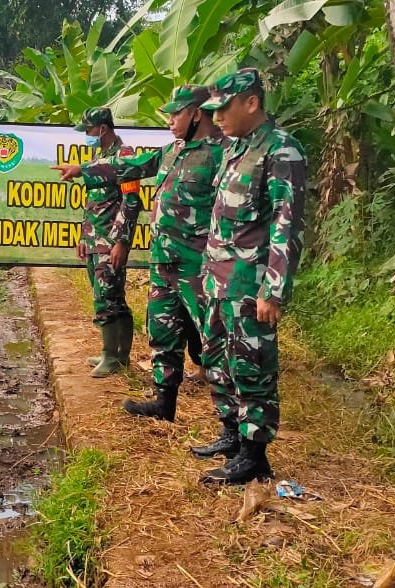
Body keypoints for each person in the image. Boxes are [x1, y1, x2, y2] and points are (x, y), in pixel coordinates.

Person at [56, 86, 223, 421]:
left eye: (177, 114)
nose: (171, 120)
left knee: (212, 335)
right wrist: (83, 171)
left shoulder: (221, 153)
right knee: (162, 331)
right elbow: (130, 166)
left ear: (197, 113)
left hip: (197, 262)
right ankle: (164, 403)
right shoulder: (172, 151)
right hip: (163, 260)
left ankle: (232, 422)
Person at [191, 68, 307, 485]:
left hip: (249, 282)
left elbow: (286, 224)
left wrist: (273, 289)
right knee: (217, 360)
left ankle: (255, 455)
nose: (217, 117)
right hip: (217, 278)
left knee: (251, 366)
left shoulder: (281, 151)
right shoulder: (236, 149)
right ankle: (231, 434)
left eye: (224, 108)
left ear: (252, 103)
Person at [52, 107, 142, 378]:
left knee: (107, 299)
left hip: (110, 242)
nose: (87, 136)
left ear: (102, 129)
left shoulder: (124, 157)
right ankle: (117, 355)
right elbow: (95, 202)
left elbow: (131, 202)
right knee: (108, 296)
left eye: (89, 130)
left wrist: (122, 242)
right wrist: (84, 236)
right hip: (95, 239)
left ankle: (111, 357)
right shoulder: (100, 157)